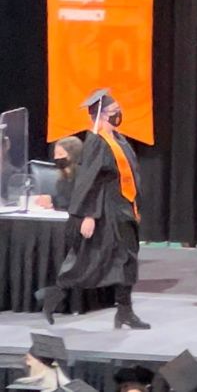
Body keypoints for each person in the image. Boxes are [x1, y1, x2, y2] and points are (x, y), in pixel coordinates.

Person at [36, 88, 150, 329]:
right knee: (93, 261)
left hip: (123, 207)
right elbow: (88, 180)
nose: (118, 114)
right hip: (105, 210)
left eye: (118, 110)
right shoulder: (96, 142)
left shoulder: (118, 139)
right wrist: (88, 215)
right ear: (100, 115)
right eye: (113, 111)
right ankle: (54, 294)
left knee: (125, 260)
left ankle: (124, 311)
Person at [36, 136, 83, 211]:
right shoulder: (62, 179)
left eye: (60, 154)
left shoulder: (83, 177)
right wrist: (51, 200)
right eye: (55, 154)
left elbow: (75, 203)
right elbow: (62, 199)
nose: (56, 158)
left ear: (73, 155)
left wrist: (53, 202)